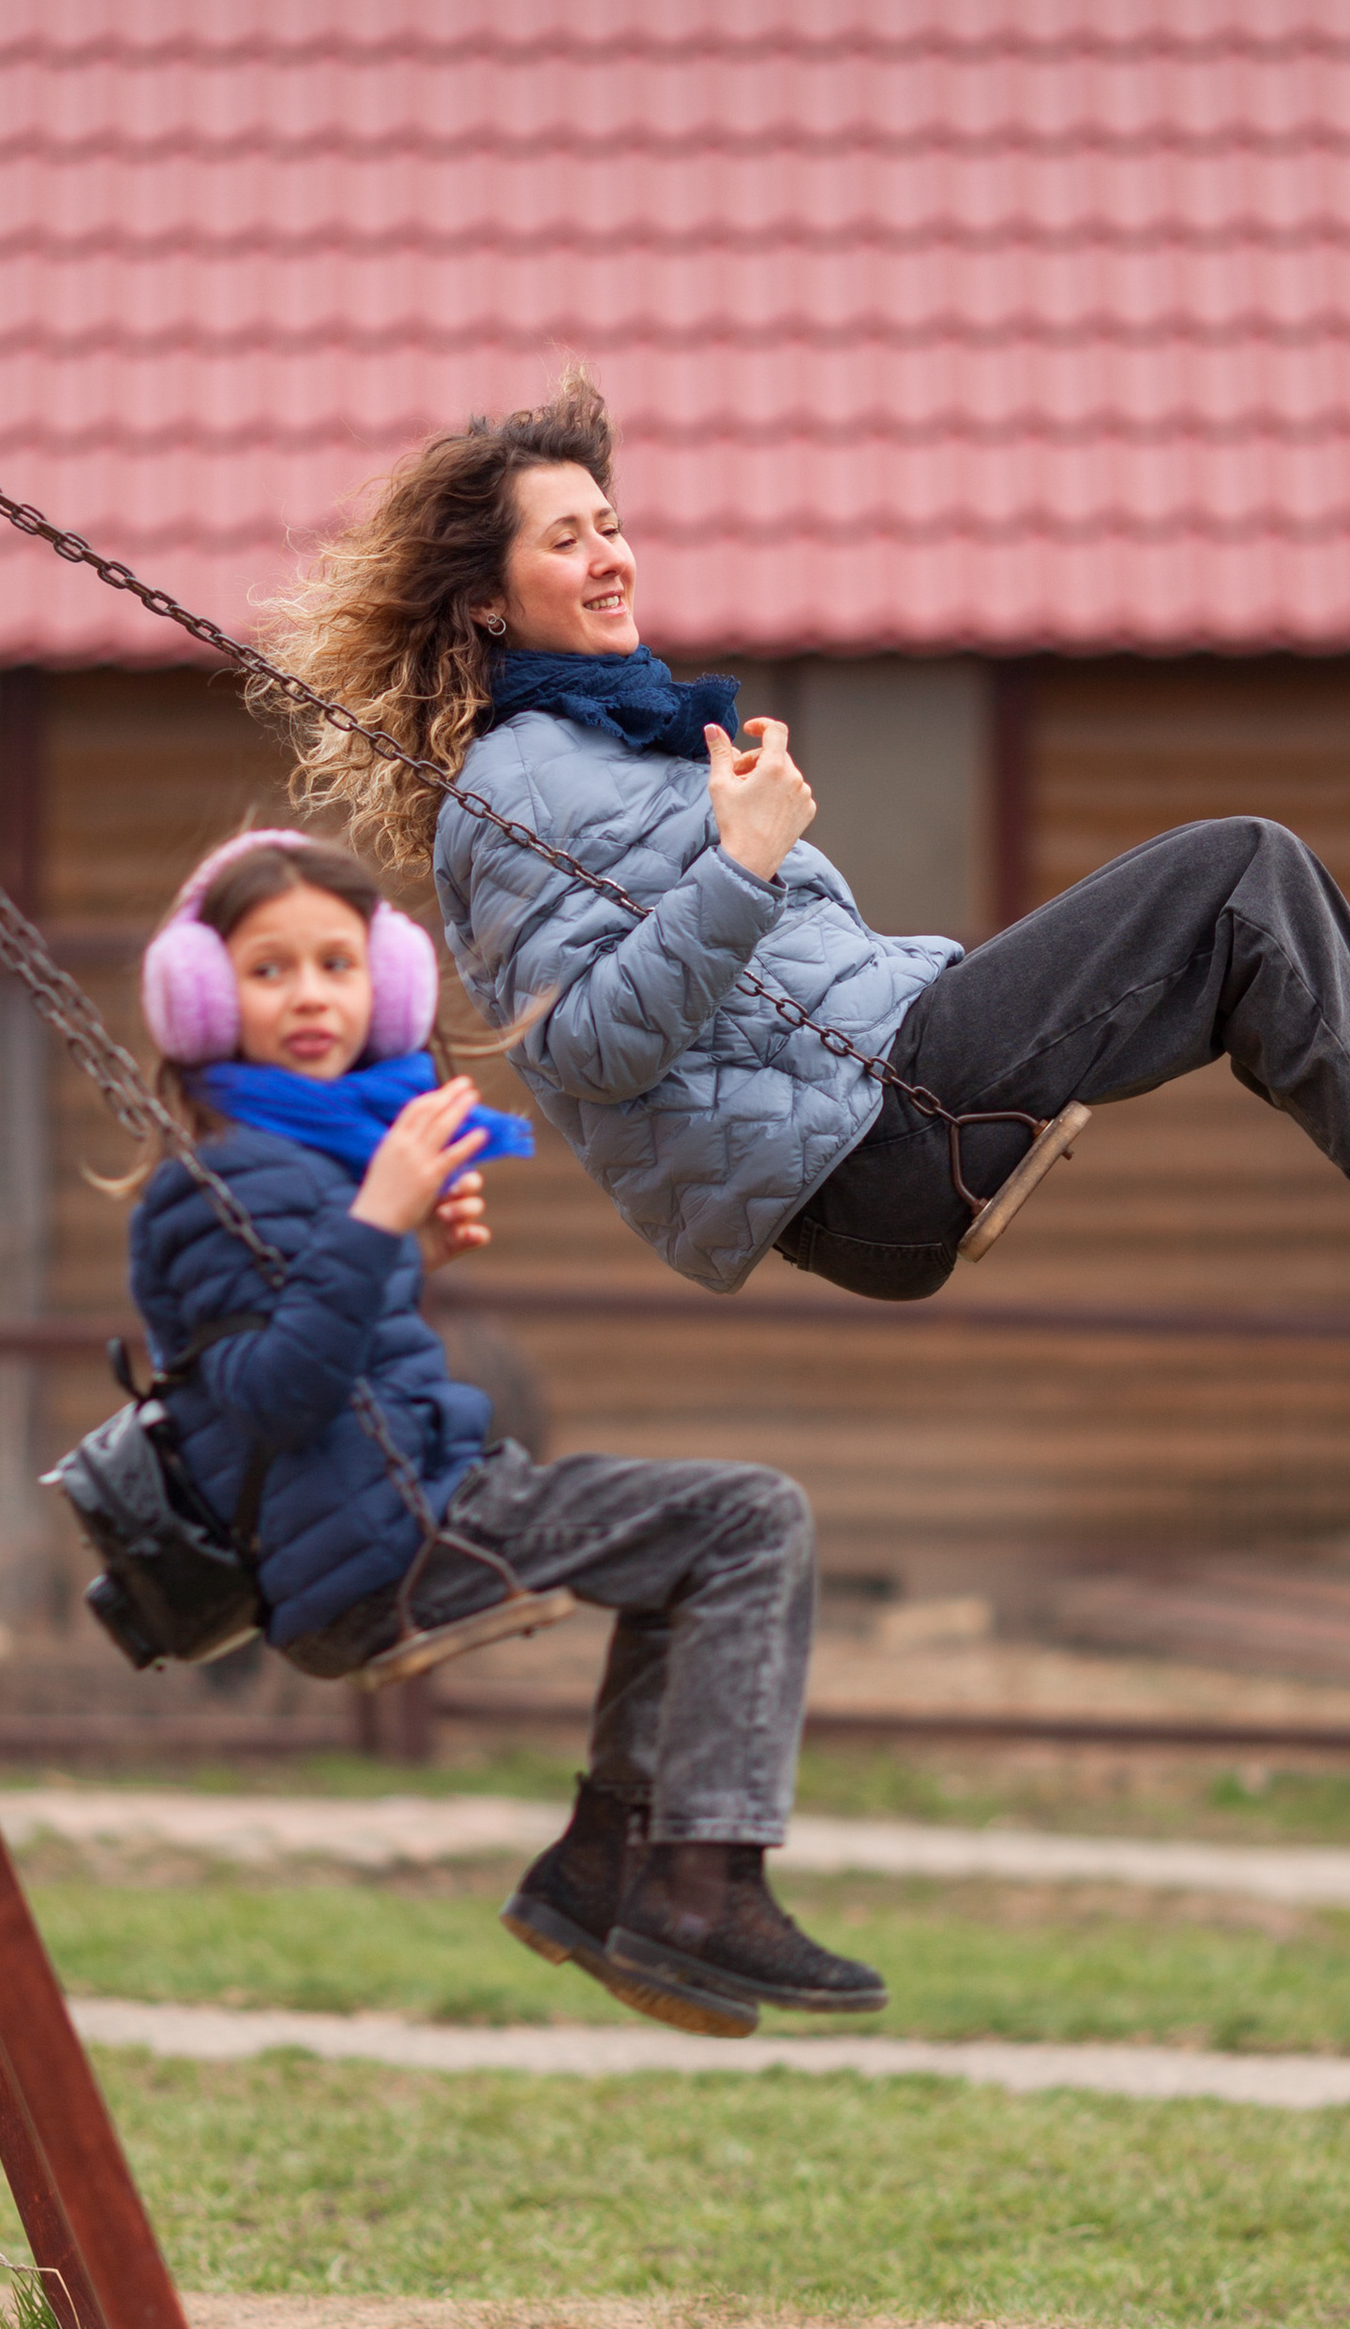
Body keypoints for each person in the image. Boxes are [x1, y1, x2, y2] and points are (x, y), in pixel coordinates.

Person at [262, 375, 1350, 1348]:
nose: (612, 556)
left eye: (612, 523)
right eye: (567, 541)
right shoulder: (506, 787)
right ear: (492, 602)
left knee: (1241, 946)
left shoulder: (616, 741)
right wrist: (741, 865)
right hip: (874, 1142)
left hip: (881, 1096)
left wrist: (743, 860)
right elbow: (584, 1054)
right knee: (1239, 872)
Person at [120, 823, 883, 2036]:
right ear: (205, 998)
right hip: (408, 1544)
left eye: (335, 964)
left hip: (412, 1518)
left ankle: (598, 1873)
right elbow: (272, 1396)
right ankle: (701, 1885)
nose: (309, 996)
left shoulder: (298, 1161)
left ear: (385, 984)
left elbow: (317, 1353)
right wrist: (379, 1223)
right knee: (749, 1518)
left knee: (696, 1546)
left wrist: (394, 1241)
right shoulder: (224, 1180)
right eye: (269, 970)